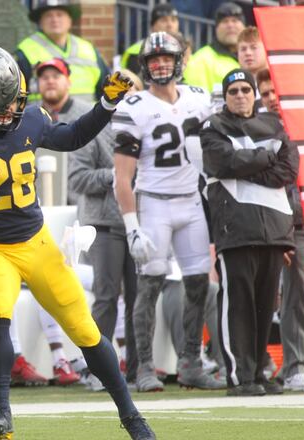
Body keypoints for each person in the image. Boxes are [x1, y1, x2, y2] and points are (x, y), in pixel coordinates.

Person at [0, 44, 152, 440]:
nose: (10, 111)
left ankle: (131, 415)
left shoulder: (29, 120)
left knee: (85, 330)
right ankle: (1, 410)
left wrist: (106, 104)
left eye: (11, 102)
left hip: (36, 241)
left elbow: (74, 136)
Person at [112, 32, 224, 393]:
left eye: (167, 57)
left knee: (199, 285)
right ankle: (143, 366)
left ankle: (190, 361)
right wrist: (132, 226)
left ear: (180, 61)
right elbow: (122, 177)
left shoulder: (197, 98)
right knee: (150, 285)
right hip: (154, 202)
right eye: (154, 59)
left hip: (191, 200)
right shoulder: (133, 105)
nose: (160, 64)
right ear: (144, 66)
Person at [36, 56, 139, 387]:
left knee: (141, 297)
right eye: (123, 93)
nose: (128, 98)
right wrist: (117, 176)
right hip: (103, 224)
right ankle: (100, 370)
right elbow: (76, 179)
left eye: (133, 92)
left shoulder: (147, 130)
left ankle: (140, 367)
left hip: (140, 221)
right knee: (107, 296)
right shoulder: (93, 130)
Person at [200, 68, 298, 396]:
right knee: (238, 305)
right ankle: (239, 376)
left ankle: (258, 371)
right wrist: (264, 158)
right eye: (233, 91)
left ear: (254, 93)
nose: (240, 95)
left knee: (264, 306)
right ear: (225, 97)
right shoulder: (213, 126)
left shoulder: (273, 125)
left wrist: (247, 169)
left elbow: (287, 169)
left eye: (245, 89)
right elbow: (220, 163)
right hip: (235, 227)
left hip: (273, 229)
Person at [255, 69, 304, 392]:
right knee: (296, 297)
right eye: (265, 93)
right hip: (290, 225)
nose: (271, 98)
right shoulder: (261, 131)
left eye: (275, 91)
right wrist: (283, 231)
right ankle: (295, 366)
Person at [15, 0, 110, 103]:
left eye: (60, 15)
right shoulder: (26, 50)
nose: (55, 19)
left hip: (89, 117)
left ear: (70, 20)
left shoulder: (88, 48)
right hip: (45, 117)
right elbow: (16, 95)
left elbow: (105, 90)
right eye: (48, 16)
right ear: (40, 22)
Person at [183, 2, 244, 94]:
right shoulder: (200, 60)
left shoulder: (258, 55)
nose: (230, 25)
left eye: (235, 20)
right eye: (225, 21)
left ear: (244, 26)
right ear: (216, 29)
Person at [120, 2, 180, 78]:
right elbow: (136, 83)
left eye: (173, 20)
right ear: (152, 26)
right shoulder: (137, 51)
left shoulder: (184, 48)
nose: (170, 25)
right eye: (164, 20)